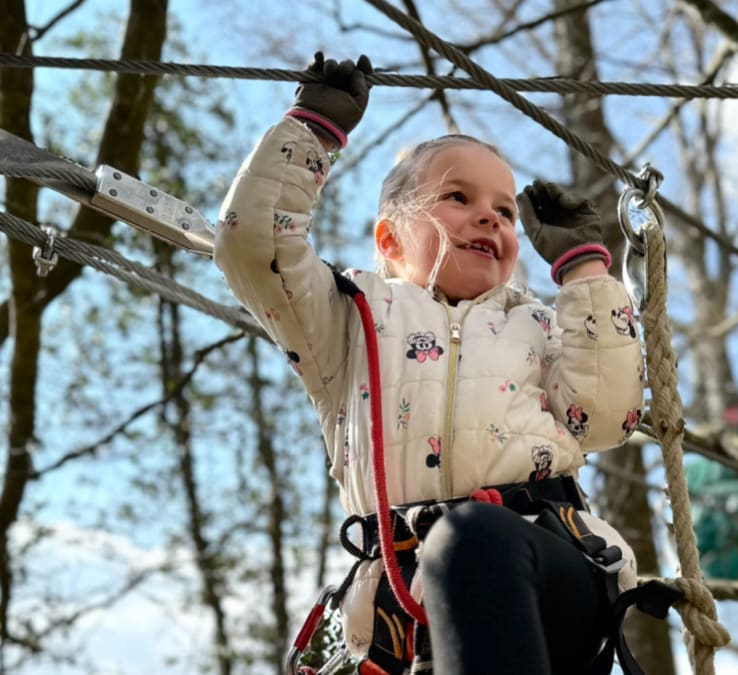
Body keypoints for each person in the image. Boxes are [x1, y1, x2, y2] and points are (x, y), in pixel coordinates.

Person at [215, 52, 647, 675]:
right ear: (390, 239)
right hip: (402, 602)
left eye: (504, 211)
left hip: (545, 569)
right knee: (456, 547)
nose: (489, 217)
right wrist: (311, 129)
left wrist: (583, 271)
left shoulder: (543, 327)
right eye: (458, 197)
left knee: (472, 538)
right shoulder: (349, 320)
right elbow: (254, 248)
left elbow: (605, 417)